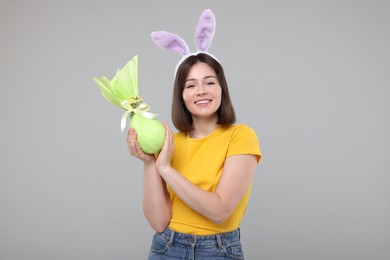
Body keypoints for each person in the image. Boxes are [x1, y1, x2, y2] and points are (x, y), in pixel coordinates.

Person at [127, 52, 262, 259]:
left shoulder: (241, 136)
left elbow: (220, 211)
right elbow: (158, 222)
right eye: (191, 85)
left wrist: (165, 168)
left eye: (209, 83)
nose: (200, 91)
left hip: (218, 250)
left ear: (221, 89)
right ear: (181, 95)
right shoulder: (170, 143)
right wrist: (150, 163)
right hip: (167, 248)